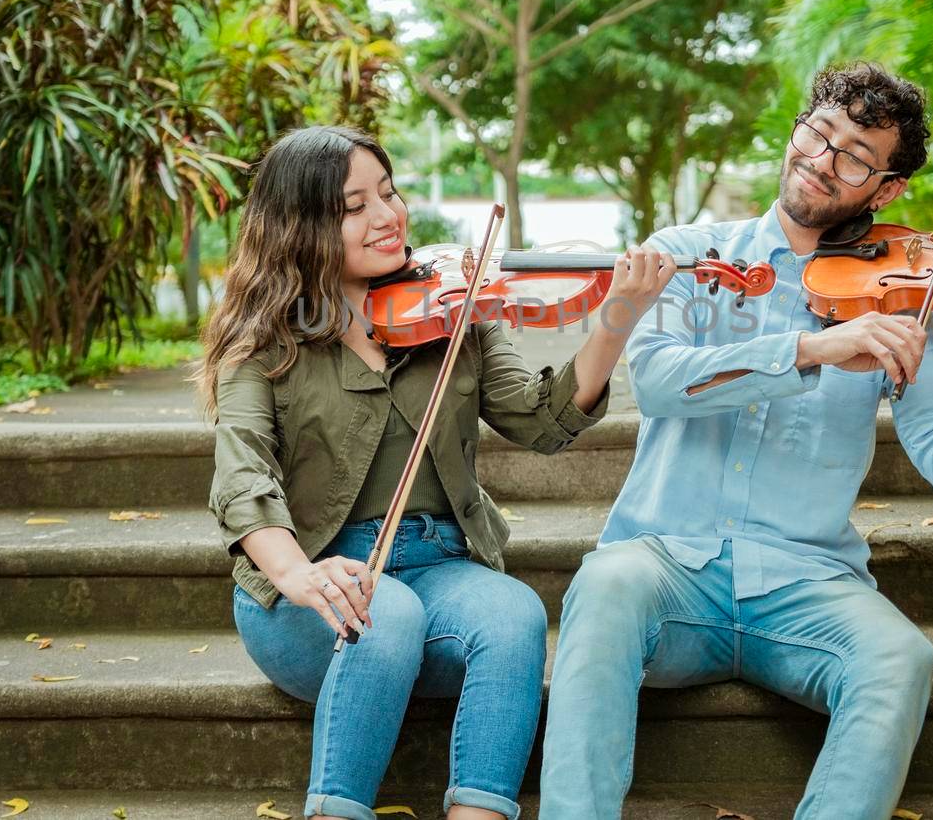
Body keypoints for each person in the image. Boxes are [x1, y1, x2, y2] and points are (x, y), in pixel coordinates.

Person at [537, 63, 933, 819]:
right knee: (603, 584)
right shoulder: (693, 253)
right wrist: (815, 349)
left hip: (804, 584)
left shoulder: (903, 300)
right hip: (666, 564)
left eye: (855, 156)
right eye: (819, 134)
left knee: (900, 657)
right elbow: (659, 381)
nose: (823, 160)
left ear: (885, 190)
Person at [199, 125, 674, 820]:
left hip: (440, 564)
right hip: (307, 591)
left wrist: (616, 321)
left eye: (388, 193)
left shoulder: (455, 309)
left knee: (513, 613)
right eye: (353, 207)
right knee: (380, 612)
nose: (387, 217)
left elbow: (540, 423)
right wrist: (298, 573)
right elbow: (243, 478)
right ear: (300, 226)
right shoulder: (263, 341)